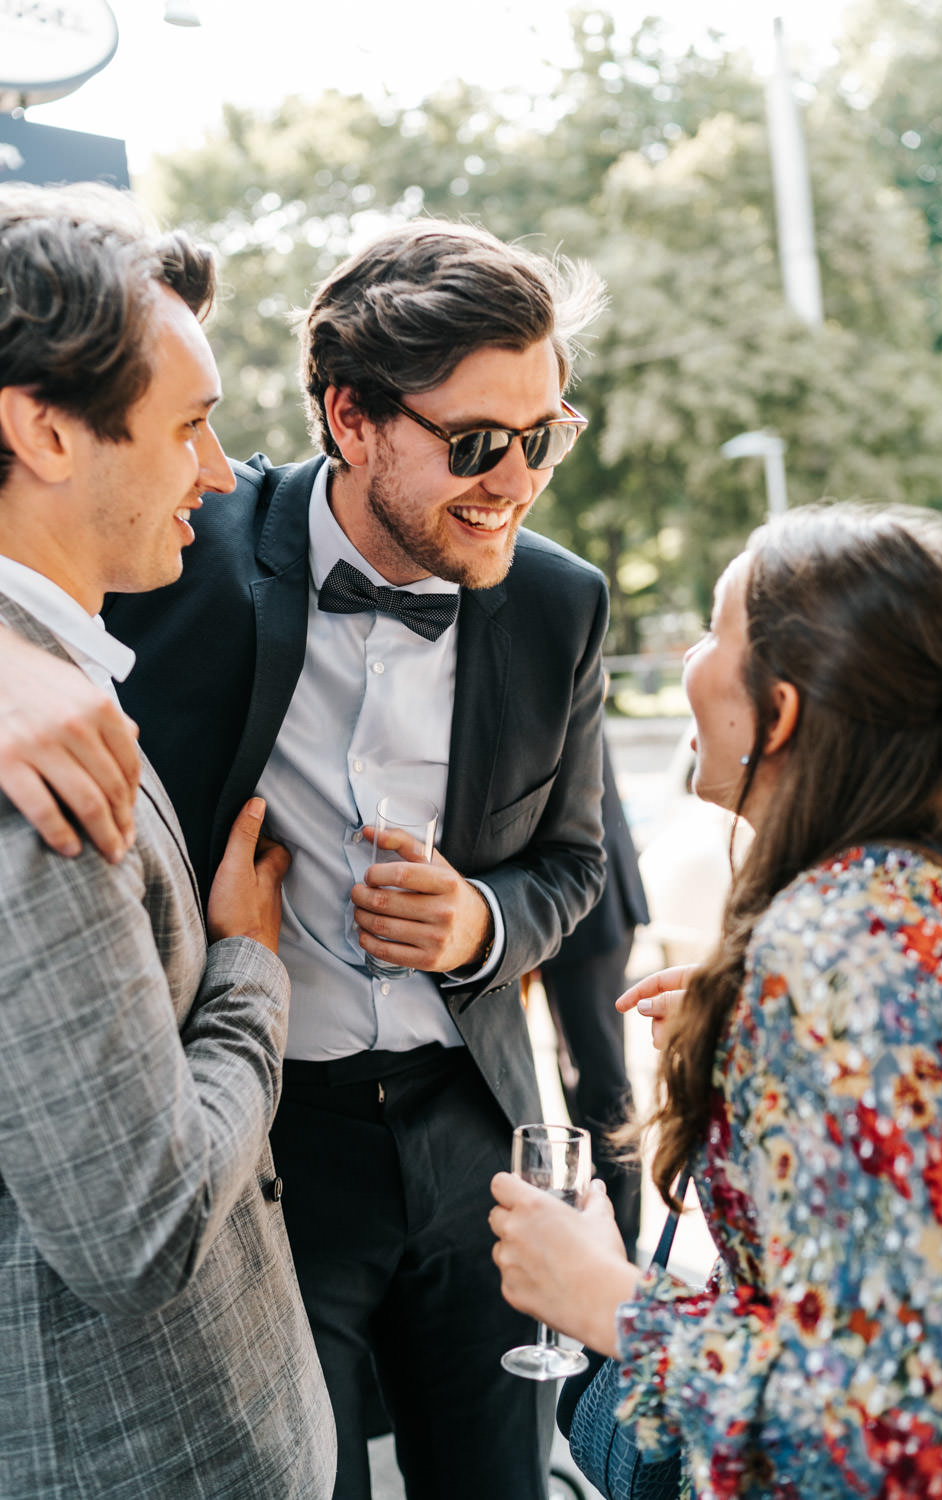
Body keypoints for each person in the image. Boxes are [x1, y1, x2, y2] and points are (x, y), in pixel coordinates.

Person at [0, 218, 610, 1500]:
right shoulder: (183, 538)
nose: (518, 480)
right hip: (263, 1141)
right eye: (479, 444)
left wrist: (479, 928)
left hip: (471, 1132)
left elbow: (576, 862)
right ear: (351, 416)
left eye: (544, 435)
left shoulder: (563, 602)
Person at [490, 503, 942, 1498]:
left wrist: (610, 1302)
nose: (689, 657)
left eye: (717, 632)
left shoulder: (836, 961)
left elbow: (909, 1435)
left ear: (784, 707)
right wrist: (764, 1061)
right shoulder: (918, 898)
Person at [0, 185, 336, 1497]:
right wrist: (249, 965)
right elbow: (142, 1236)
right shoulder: (42, 777)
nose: (219, 471)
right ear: (42, 430)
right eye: (191, 425)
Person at [538, 740, 648, 1258]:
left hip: (590, 909)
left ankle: (621, 1247)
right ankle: (600, 1224)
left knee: (601, 1082)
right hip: (554, 914)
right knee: (576, 1078)